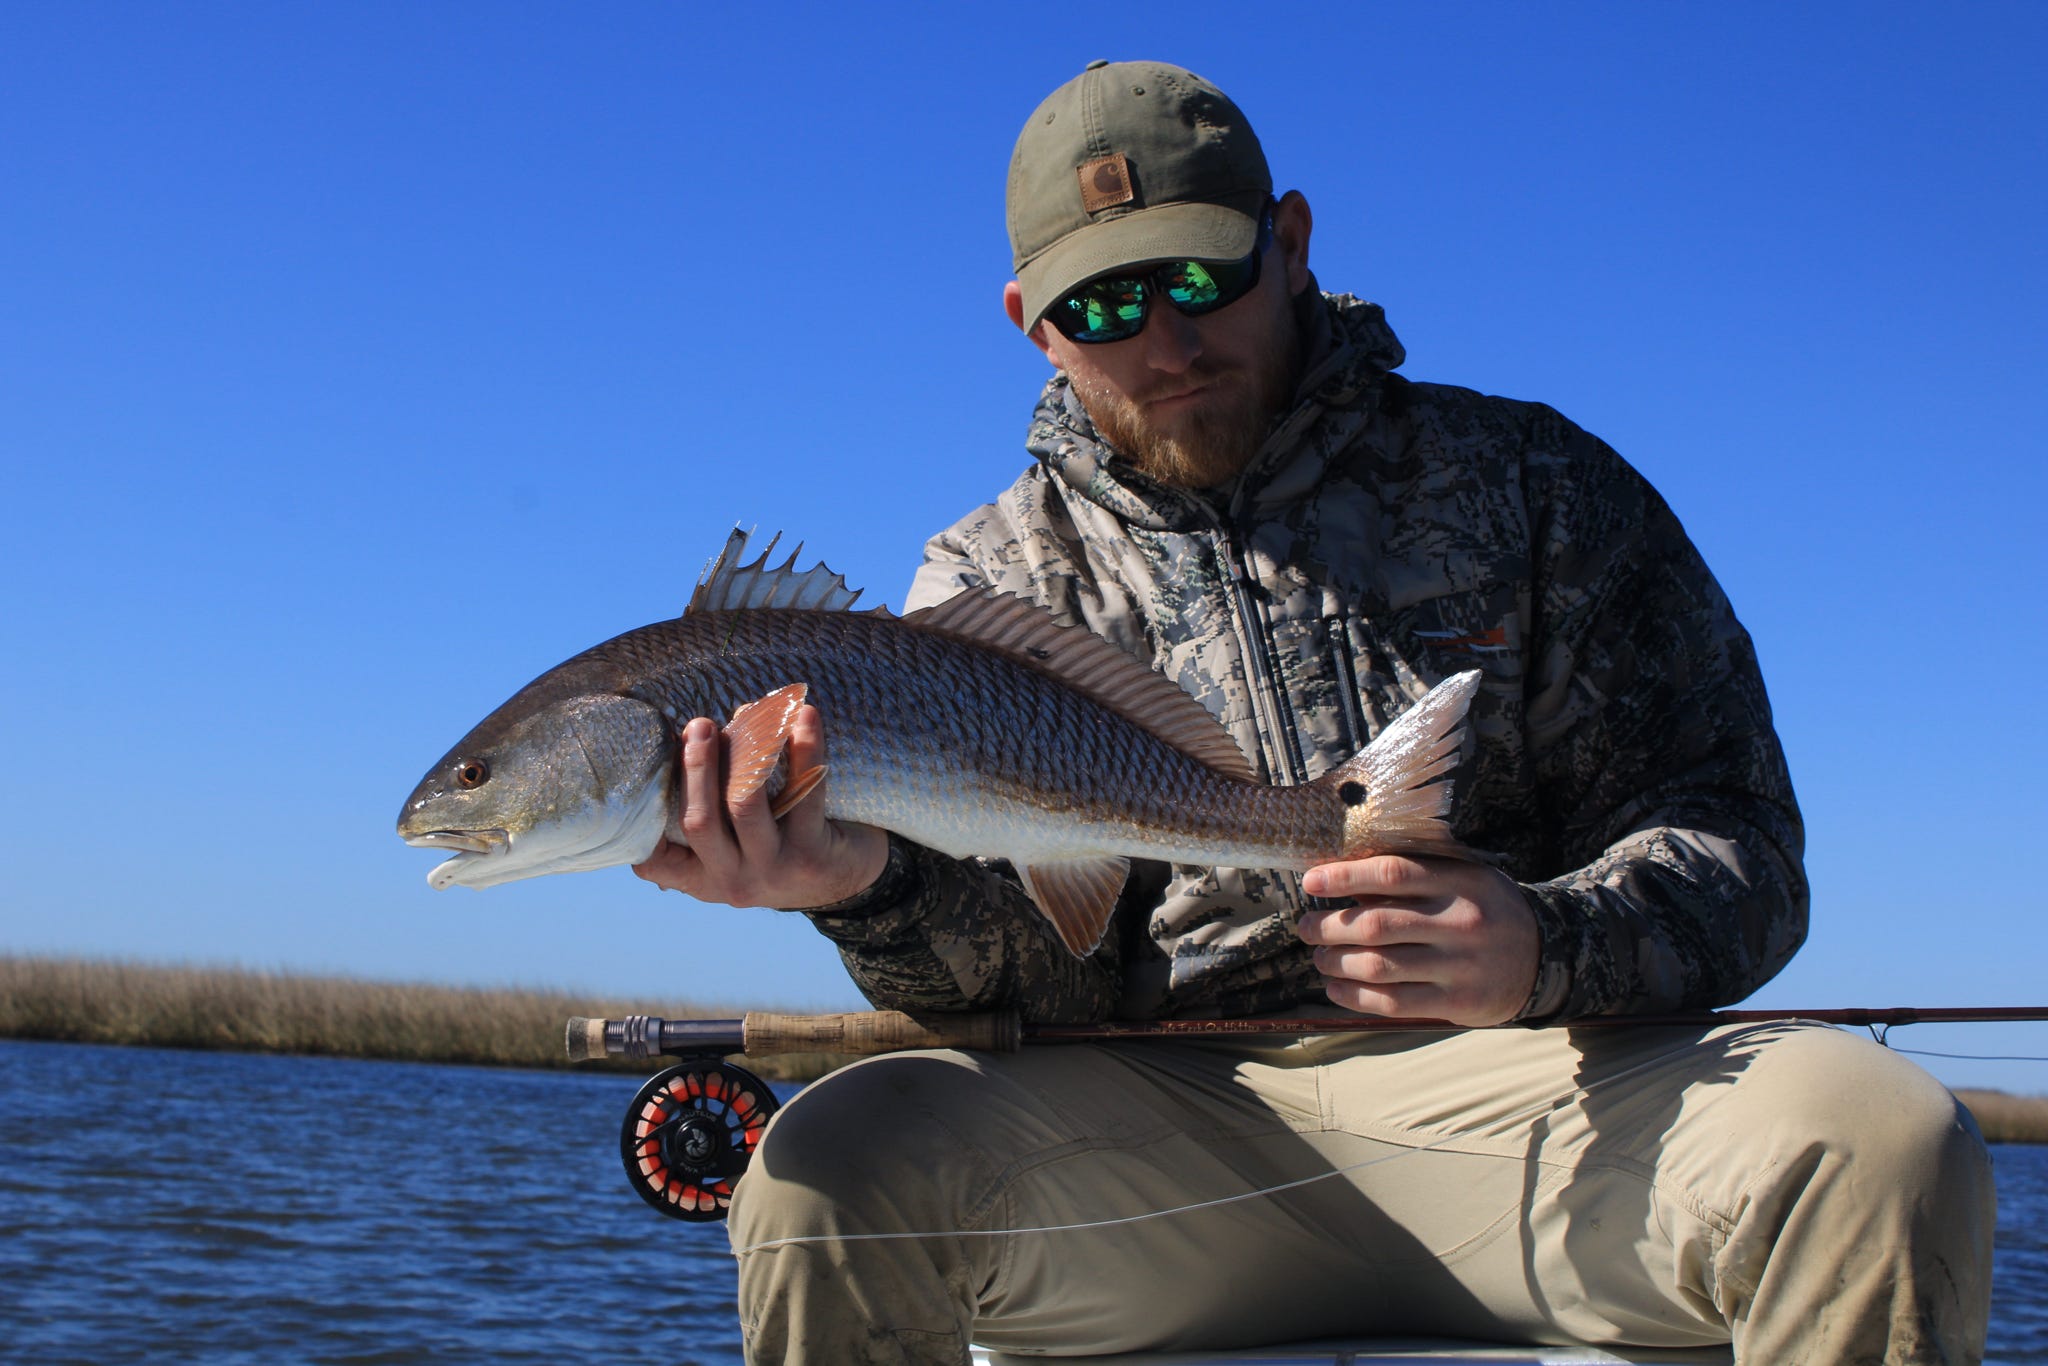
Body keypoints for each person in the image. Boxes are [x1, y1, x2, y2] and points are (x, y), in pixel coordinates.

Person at [635, 60, 1994, 1366]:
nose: (1164, 343)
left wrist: (1547, 944)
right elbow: (1041, 978)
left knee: (1875, 1135)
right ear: (1029, 322)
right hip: (1161, 1140)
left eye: (1195, 278)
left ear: (1286, 241)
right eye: (1103, 305)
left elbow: (1740, 838)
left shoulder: (1536, 482)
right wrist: (862, 887)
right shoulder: (986, 580)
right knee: (823, 1176)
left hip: (1540, 1108)